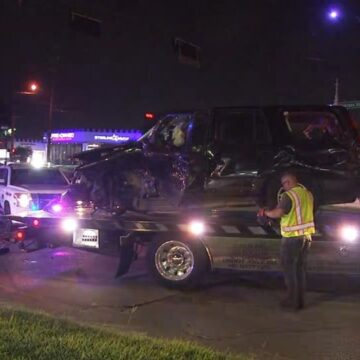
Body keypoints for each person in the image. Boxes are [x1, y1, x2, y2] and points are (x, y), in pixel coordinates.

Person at [257, 172, 315, 310]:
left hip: (292, 238)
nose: (283, 187)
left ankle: (292, 302)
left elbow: (279, 213)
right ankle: (300, 301)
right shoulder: (308, 194)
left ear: (288, 182)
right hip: (306, 237)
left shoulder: (288, 195)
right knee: (300, 270)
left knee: (289, 270)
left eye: (283, 184)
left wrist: (265, 213)